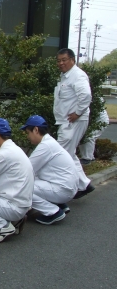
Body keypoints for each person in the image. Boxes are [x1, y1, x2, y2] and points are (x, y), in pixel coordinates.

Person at [21, 115, 77, 224]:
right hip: (66, 187)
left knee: (22, 189)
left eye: (28, 132)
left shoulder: (45, 146)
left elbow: (25, 169)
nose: (28, 136)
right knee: (31, 180)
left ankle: (53, 212)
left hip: (63, 189)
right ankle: (59, 204)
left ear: (36, 130)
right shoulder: (50, 142)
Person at [54, 48, 94, 198]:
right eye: (59, 60)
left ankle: (62, 187)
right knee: (69, 154)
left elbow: (86, 95)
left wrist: (77, 112)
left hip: (73, 121)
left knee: (60, 154)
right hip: (66, 121)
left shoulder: (77, 75)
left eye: (64, 60)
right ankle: (83, 184)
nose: (61, 63)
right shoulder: (65, 76)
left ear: (72, 60)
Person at [79, 98, 109, 165]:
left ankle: (87, 159)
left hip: (101, 121)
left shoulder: (93, 97)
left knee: (90, 136)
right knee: (83, 136)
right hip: (93, 121)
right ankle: (90, 157)